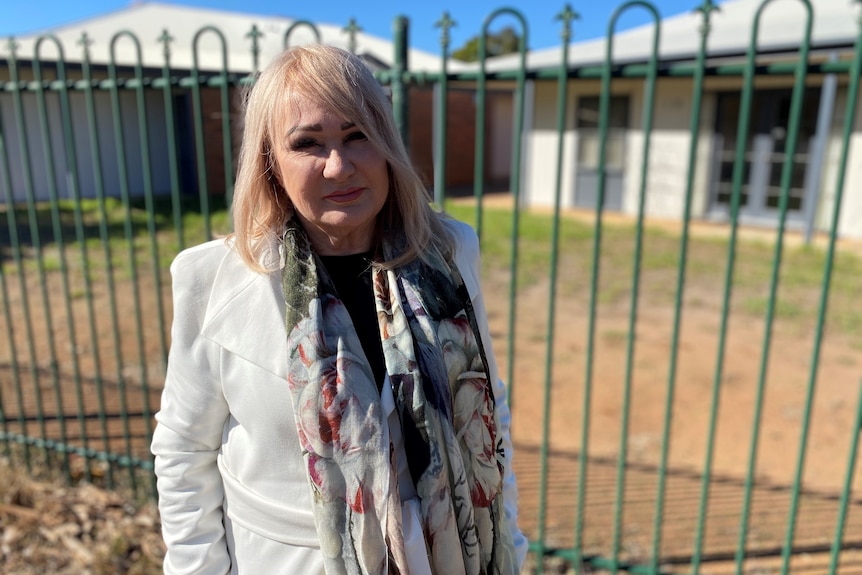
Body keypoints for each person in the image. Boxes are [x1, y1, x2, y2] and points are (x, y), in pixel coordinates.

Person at [151, 44, 527, 574]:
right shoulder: (212, 278)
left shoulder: (447, 252)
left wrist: (509, 543)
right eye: (307, 144)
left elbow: (487, 413)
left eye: (358, 136)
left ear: (387, 145)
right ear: (270, 164)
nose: (338, 166)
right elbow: (184, 451)